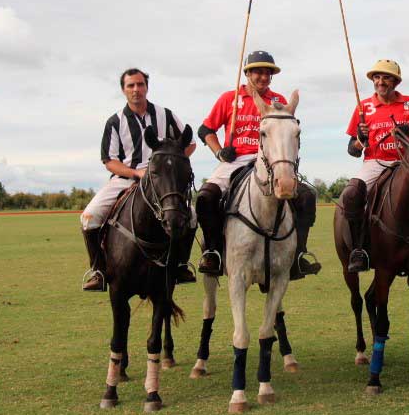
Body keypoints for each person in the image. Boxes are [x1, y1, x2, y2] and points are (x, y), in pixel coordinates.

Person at [195, 51, 319, 279]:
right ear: (247, 73)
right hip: (236, 161)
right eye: (257, 72)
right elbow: (205, 130)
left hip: (271, 163)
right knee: (206, 196)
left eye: (267, 73)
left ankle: (299, 254)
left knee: (306, 197)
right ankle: (213, 251)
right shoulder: (229, 98)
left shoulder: (279, 101)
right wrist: (220, 152)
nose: (262, 77)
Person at [81, 68, 197, 291]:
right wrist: (135, 173)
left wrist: (169, 167)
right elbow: (109, 160)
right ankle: (98, 270)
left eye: (140, 84)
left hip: (161, 182)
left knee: (190, 215)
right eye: (130, 86)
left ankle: (181, 265)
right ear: (123, 90)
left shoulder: (166, 114)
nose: (136, 89)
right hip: (126, 178)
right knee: (89, 217)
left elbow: (188, 144)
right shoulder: (115, 121)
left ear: (147, 87)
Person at [343, 59, 409, 273]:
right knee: (352, 193)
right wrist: (360, 140)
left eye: (386, 77)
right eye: (377, 77)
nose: (381, 82)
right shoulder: (364, 107)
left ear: (396, 82)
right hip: (375, 162)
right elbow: (352, 150)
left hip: (407, 164)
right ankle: (358, 249)